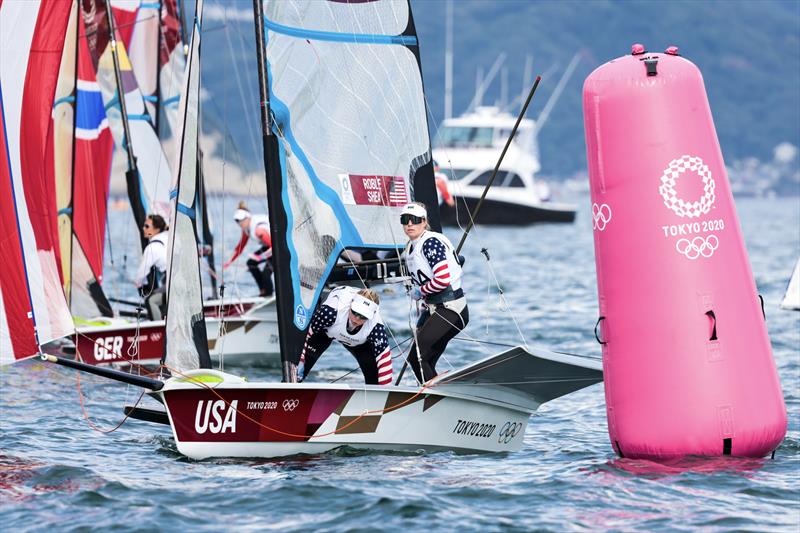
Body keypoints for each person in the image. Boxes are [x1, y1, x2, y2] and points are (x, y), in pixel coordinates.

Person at [400, 202, 468, 382]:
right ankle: (434, 395)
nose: (409, 224)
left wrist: (420, 291)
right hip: (434, 309)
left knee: (418, 356)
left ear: (424, 222)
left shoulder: (430, 242)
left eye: (414, 220)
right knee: (419, 360)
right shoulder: (411, 246)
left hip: (451, 309)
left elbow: (443, 279)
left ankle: (435, 397)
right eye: (405, 220)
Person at [295, 286, 392, 385]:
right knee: (298, 371)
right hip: (325, 332)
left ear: (372, 315)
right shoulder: (330, 311)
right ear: (351, 305)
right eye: (354, 312)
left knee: (375, 379)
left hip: (359, 343)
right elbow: (304, 335)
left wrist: (386, 394)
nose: (356, 319)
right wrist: (301, 360)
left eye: (363, 317)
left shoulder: (376, 327)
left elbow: (385, 361)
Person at [223, 201, 273, 297]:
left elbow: (274, 248)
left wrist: (259, 257)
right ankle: (263, 290)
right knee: (250, 263)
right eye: (237, 221)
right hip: (270, 247)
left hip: (279, 247)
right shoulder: (246, 229)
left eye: (241, 220)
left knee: (266, 273)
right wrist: (229, 262)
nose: (239, 223)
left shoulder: (259, 230)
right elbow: (240, 247)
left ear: (248, 217)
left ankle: (268, 295)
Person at [134, 214, 169, 320]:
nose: (143, 229)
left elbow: (142, 272)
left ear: (157, 229)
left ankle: (158, 330)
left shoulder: (152, 247)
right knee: (159, 296)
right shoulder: (168, 236)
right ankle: (164, 319)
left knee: (150, 300)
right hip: (181, 280)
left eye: (147, 226)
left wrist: (138, 283)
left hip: (172, 282)